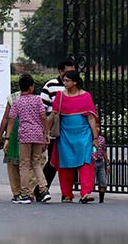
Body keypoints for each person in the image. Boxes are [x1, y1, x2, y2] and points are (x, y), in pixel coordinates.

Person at [50, 69, 98, 203]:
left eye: (67, 80)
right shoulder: (60, 96)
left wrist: (95, 137)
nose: (64, 83)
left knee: (86, 163)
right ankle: (66, 194)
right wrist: (45, 134)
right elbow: (53, 115)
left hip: (84, 135)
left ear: (75, 82)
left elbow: (91, 118)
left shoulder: (86, 96)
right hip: (65, 135)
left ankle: (86, 193)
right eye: (63, 80)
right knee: (65, 165)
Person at [4, 73, 52, 204]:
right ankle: (44, 189)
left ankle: (24, 194)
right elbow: (43, 117)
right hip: (37, 134)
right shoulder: (37, 100)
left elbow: (11, 120)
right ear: (31, 87)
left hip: (24, 135)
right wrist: (46, 133)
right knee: (36, 163)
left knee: (24, 165)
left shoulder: (17, 101)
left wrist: (7, 138)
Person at [40, 56, 75, 190]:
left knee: (69, 161)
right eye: (67, 72)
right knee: (53, 161)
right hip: (54, 130)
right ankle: (42, 188)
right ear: (60, 72)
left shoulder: (76, 87)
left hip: (71, 130)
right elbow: (42, 109)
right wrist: (45, 131)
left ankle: (66, 190)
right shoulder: (51, 86)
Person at [0, 84, 22, 201]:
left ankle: (17, 192)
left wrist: (0, 135)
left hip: (12, 134)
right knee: (30, 165)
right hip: (30, 135)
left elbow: (6, 118)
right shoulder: (37, 99)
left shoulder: (13, 98)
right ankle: (28, 191)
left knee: (13, 166)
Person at [92, 132, 111, 203]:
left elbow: (104, 151)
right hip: (92, 161)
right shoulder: (88, 138)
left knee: (103, 181)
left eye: (98, 127)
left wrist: (107, 163)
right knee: (90, 180)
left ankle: (101, 200)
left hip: (100, 161)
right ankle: (85, 195)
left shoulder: (102, 139)